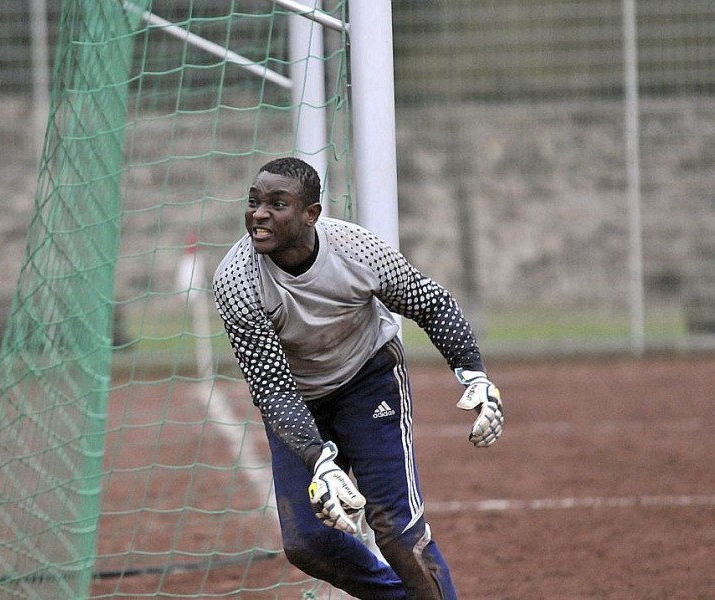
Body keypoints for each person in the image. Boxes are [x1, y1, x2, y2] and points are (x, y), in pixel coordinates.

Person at [212, 157, 504, 599]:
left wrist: (474, 375)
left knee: (395, 529)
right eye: (254, 202)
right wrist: (319, 460)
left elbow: (432, 303)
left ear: (311, 214)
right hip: (297, 398)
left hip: (368, 379)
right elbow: (271, 385)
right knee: (307, 542)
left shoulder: (357, 248)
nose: (259, 214)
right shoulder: (236, 280)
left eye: (277, 203)